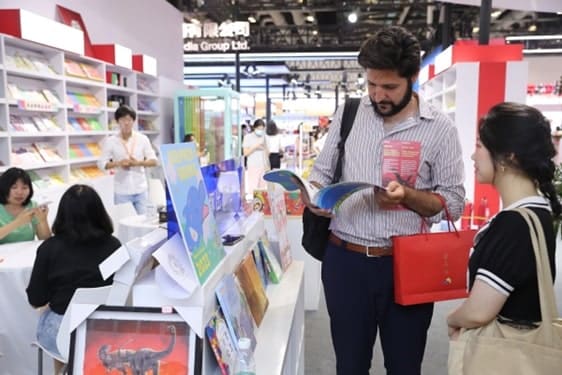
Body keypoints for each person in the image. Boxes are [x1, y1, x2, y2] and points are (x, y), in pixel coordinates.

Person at [302, 26, 465, 374]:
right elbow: (321, 173)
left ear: (412, 78)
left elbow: (453, 203)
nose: (378, 95)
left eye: (389, 87)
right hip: (345, 261)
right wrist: (316, 195)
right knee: (349, 365)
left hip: (406, 264)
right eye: (372, 84)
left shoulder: (440, 129)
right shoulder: (348, 114)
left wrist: (409, 196)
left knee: (405, 367)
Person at [447, 103, 559, 340]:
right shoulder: (538, 213)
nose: (472, 155)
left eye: (479, 146)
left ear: (508, 156)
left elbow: (478, 311)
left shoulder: (514, 224)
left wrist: (452, 319)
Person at [26, 184, 121, 373]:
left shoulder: (49, 248)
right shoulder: (113, 245)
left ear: (62, 214)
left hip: (62, 332)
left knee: (56, 328)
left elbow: (36, 298)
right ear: (99, 212)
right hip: (105, 329)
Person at [99, 104, 158, 214]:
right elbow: (101, 163)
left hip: (141, 189)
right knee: (125, 224)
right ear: (117, 121)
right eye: (123, 120)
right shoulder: (111, 141)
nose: (126, 123)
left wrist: (138, 163)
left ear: (133, 121)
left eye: (129, 119)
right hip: (121, 191)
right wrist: (118, 164)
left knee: (144, 224)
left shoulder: (142, 139)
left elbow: (154, 161)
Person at [0, 167, 51, 244]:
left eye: (24, 188)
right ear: (4, 188)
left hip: (26, 254)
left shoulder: (32, 206)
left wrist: (43, 220)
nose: (20, 192)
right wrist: (18, 222)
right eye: (14, 187)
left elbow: (45, 240)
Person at [243, 119, 268, 198]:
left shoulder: (264, 137)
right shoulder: (248, 137)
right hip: (253, 165)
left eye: (262, 129)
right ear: (254, 128)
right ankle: (252, 207)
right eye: (259, 129)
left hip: (263, 166)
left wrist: (265, 148)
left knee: (262, 189)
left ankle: (261, 208)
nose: (260, 131)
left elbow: (267, 152)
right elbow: (245, 153)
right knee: (253, 188)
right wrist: (256, 146)